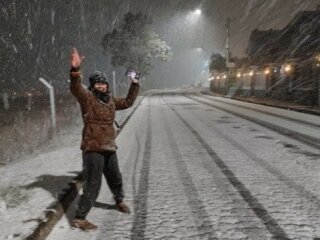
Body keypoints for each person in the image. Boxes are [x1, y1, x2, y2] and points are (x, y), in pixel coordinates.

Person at [69, 48, 139, 231]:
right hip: (93, 147)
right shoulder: (88, 98)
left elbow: (128, 102)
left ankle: (119, 201)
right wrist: (75, 70)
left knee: (115, 177)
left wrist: (135, 83)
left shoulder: (110, 100)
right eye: (98, 84)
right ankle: (79, 217)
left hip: (109, 145)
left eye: (104, 84)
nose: (102, 86)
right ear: (92, 86)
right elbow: (76, 88)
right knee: (93, 183)